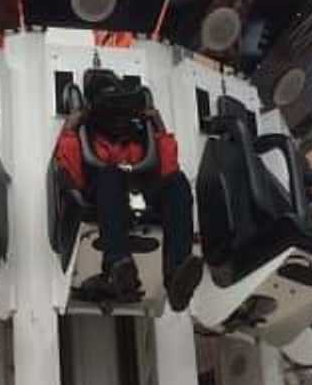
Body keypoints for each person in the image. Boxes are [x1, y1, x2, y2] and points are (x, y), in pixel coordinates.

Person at [53, 69, 202, 310]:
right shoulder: (87, 133)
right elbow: (73, 176)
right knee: (111, 175)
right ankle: (118, 265)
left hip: (140, 191)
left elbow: (168, 170)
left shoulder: (138, 132)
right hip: (103, 194)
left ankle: (177, 274)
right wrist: (70, 129)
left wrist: (159, 128)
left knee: (177, 182)